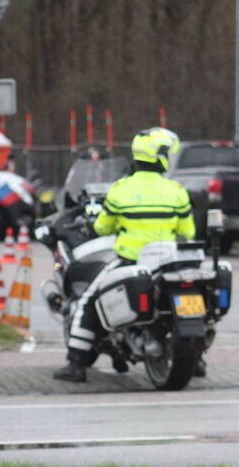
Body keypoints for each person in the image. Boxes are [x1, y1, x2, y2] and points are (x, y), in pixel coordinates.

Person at [53, 127, 197, 383]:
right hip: (167, 261)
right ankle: (197, 359)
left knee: (88, 300)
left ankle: (75, 364)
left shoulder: (120, 190)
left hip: (130, 258)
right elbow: (188, 230)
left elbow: (102, 227)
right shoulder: (177, 191)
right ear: (159, 156)